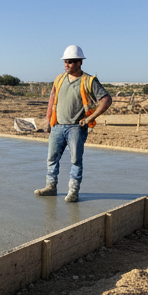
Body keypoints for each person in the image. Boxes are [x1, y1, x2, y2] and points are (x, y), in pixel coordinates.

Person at [34, 45, 112, 203]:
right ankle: (51, 187)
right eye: (65, 62)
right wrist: (48, 121)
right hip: (57, 126)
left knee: (75, 160)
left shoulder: (89, 81)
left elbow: (106, 100)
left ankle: (73, 192)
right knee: (52, 159)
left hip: (76, 128)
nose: (67, 64)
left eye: (70, 62)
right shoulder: (59, 79)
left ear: (79, 63)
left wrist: (90, 118)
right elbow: (52, 100)